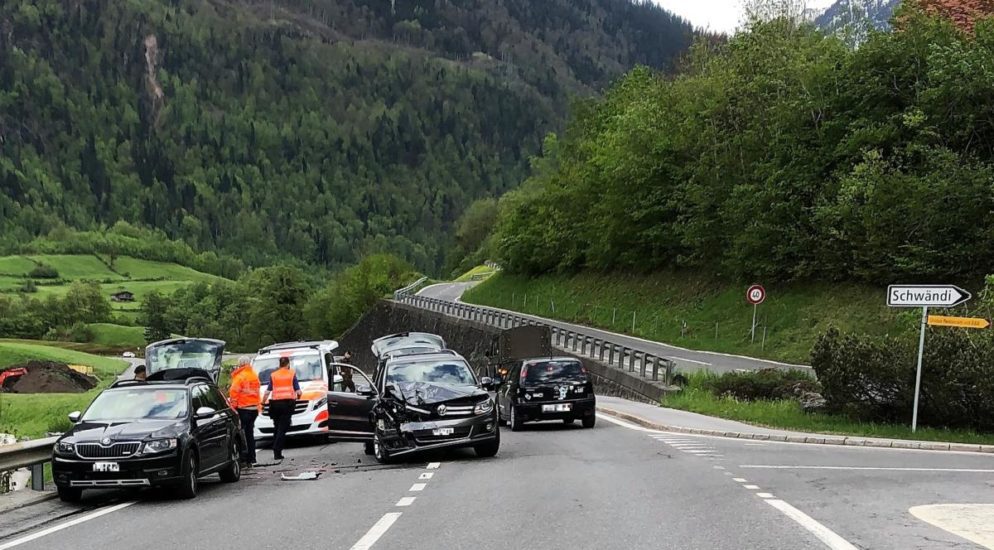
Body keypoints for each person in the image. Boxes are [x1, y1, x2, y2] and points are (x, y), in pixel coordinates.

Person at [261, 356, 300, 461]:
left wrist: (262, 403)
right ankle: (277, 450)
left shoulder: (274, 375)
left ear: (279, 364)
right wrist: (298, 397)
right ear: (288, 364)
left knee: (277, 427)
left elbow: (268, 391)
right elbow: (298, 391)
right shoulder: (291, 374)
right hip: (287, 404)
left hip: (275, 405)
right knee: (283, 428)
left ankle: (276, 451)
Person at [228, 356, 261, 465]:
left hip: (243, 409)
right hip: (254, 409)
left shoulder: (239, 377)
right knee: (250, 434)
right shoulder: (254, 376)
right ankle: (252, 457)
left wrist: (233, 408)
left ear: (240, 364)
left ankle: (244, 457)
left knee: (241, 434)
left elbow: (233, 392)